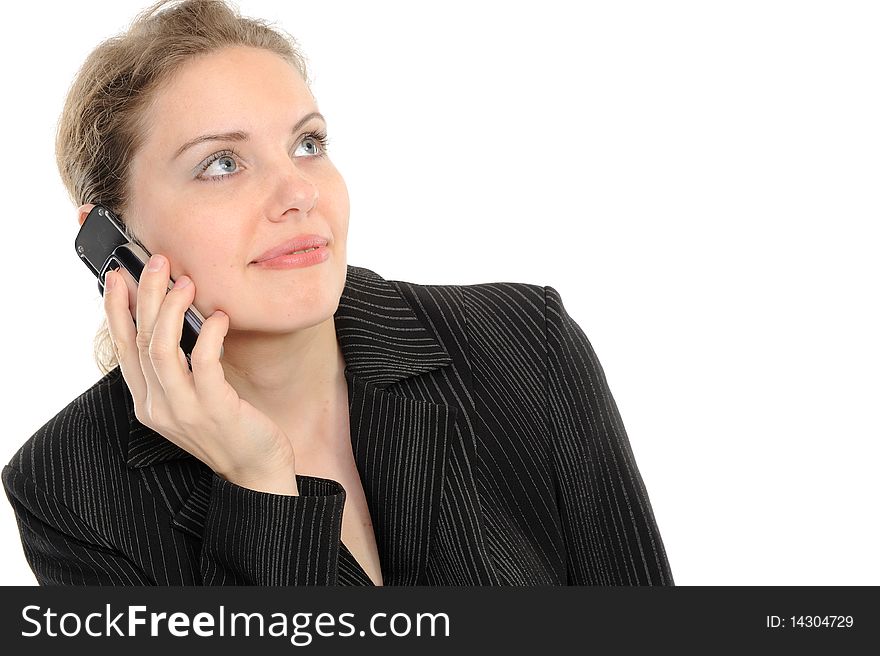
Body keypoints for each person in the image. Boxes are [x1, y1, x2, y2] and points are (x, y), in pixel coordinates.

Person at [2, 0, 673, 586]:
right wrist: (259, 488)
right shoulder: (68, 488)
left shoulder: (526, 341)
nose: (298, 194)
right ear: (113, 238)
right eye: (222, 163)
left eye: (307, 144)